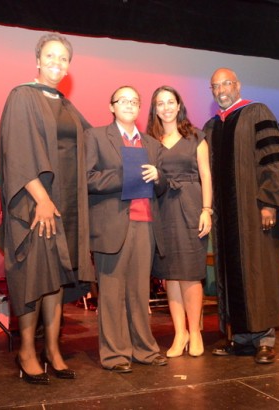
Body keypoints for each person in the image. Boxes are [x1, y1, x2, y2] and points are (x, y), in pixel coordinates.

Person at [0, 33, 94, 384]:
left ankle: (52, 350)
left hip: (64, 204)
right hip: (35, 204)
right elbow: (18, 152)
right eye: (50, 56)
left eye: (63, 58)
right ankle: (26, 351)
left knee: (56, 280)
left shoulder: (66, 106)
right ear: (37, 61)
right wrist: (42, 199)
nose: (57, 62)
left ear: (69, 67)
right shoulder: (22, 96)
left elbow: (92, 143)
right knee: (35, 276)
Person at [203, 68, 279, 365]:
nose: (221, 90)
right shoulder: (211, 127)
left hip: (254, 211)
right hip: (225, 218)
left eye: (226, 83)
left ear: (238, 85)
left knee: (260, 270)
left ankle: (265, 339)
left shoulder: (257, 113)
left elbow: (273, 158)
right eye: (215, 86)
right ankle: (241, 338)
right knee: (231, 273)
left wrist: (269, 203)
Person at [85, 85, 169, 372]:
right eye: (123, 100)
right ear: (112, 106)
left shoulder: (152, 144)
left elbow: (163, 186)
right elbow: (87, 178)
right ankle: (114, 354)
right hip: (111, 226)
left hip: (145, 225)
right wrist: (124, 175)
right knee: (111, 294)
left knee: (139, 292)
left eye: (135, 101)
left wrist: (159, 177)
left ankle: (144, 350)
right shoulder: (96, 136)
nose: (130, 105)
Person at [146, 86, 212, 358]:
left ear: (179, 105)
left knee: (190, 272)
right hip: (162, 208)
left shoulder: (195, 136)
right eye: (160, 103)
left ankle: (195, 332)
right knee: (170, 274)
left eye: (170, 102)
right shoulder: (151, 140)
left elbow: (206, 175)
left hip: (191, 205)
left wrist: (206, 210)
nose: (166, 107)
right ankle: (179, 332)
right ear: (155, 109)